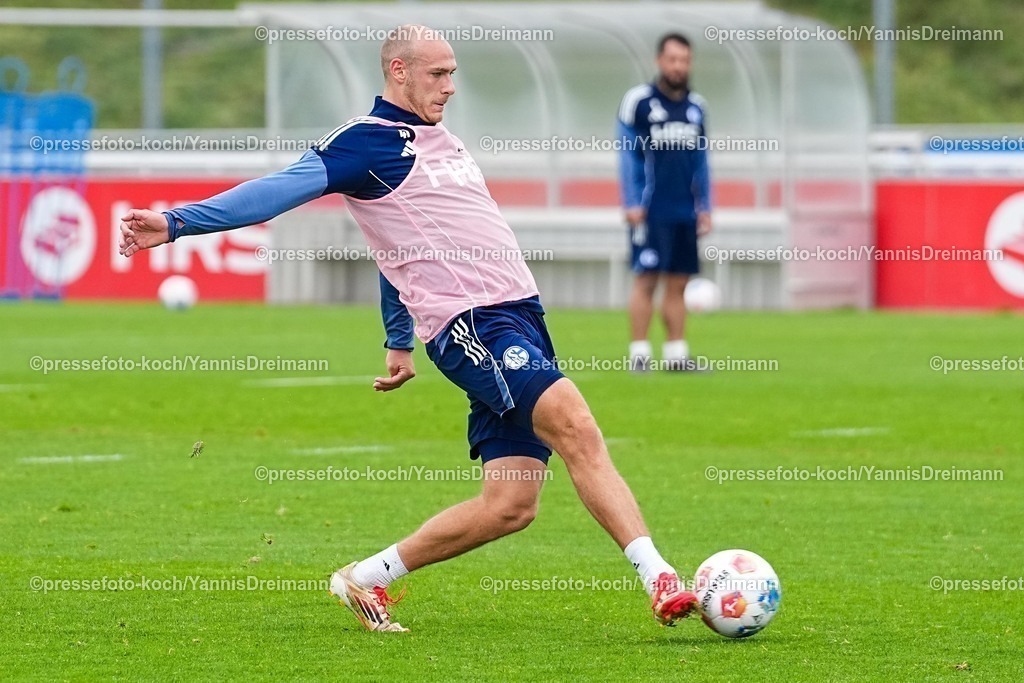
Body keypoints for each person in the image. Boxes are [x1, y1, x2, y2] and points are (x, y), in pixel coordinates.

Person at [118, 25, 696, 633]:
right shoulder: (364, 144)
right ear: (398, 71)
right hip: (474, 326)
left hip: (521, 318)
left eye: (452, 73)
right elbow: (275, 193)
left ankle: (366, 579)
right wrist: (176, 222)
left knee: (510, 508)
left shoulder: (441, 138)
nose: (450, 86)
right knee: (577, 426)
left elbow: (394, 245)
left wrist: (397, 339)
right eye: (437, 74)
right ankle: (659, 577)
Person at [617, 33, 712, 371]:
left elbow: (701, 161)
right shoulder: (639, 102)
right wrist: (631, 201)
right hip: (649, 209)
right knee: (647, 278)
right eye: (672, 60)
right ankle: (639, 355)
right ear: (660, 61)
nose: (678, 67)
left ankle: (676, 356)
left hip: (684, 210)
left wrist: (706, 207)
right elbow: (627, 156)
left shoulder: (696, 107)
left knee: (679, 282)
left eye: (684, 60)